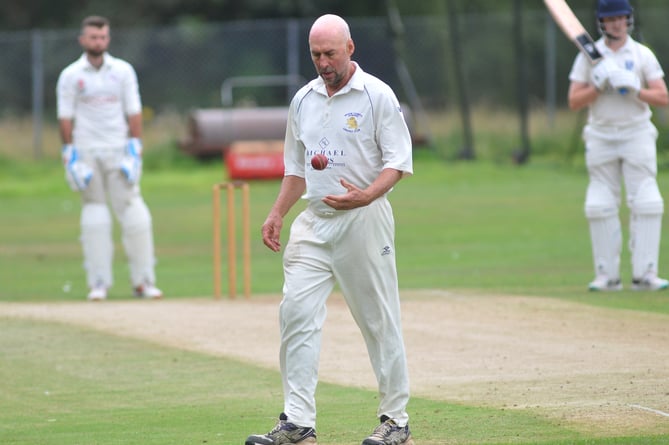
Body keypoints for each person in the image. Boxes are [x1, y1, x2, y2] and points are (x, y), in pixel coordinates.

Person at [245, 14, 414, 445]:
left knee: (379, 322)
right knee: (296, 315)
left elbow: (398, 163)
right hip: (315, 222)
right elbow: (296, 168)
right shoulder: (303, 100)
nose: (323, 62)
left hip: (364, 220)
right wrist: (277, 213)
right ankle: (298, 423)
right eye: (316, 54)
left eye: (330, 53)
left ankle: (396, 421)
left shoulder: (377, 95)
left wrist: (366, 195)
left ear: (350, 48)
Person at [56, 15, 162, 301]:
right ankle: (99, 283)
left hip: (118, 149)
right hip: (87, 150)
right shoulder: (70, 75)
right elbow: (65, 117)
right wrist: (69, 153)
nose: (98, 42)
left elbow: (134, 111)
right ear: (83, 40)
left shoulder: (123, 71)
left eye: (102, 37)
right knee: (95, 212)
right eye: (93, 37)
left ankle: (144, 282)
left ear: (108, 39)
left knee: (133, 210)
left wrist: (135, 148)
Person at [567, 0, 669, 292]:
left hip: (636, 132)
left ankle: (646, 275)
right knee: (599, 204)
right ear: (602, 23)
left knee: (647, 201)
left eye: (621, 18)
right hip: (601, 134)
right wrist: (596, 88)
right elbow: (574, 101)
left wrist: (637, 89)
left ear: (628, 20)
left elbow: (663, 97)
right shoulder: (588, 58)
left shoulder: (641, 54)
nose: (616, 24)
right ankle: (606, 276)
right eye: (610, 19)